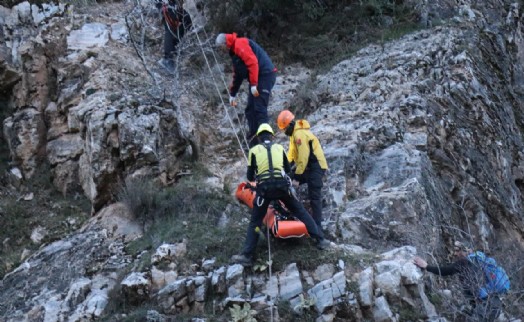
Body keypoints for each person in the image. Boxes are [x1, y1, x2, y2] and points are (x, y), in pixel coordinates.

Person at [231, 123, 330, 266]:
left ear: (259, 137)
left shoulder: (253, 151)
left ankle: (247, 255)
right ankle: (321, 240)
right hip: (283, 188)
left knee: (255, 221)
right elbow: (288, 170)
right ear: (271, 136)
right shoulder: (279, 148)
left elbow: (250, 177)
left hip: (264, 190)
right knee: (300, 211)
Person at [413, 241, 504, 321]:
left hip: (485, 306)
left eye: (458, 250)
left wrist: (426, 266)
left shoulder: (464, 262)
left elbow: (445, 271)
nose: (455, 254)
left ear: (466, 250)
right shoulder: (481, 261)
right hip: (495, 304)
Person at [215, 33, 277, 147]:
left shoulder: (240, 44)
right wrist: (232, 94)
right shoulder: (234, 52)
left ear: (224, 44)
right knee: (250, 110)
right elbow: (237, 75)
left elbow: (253, 62)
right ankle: (254, 140)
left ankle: (266, 140)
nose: (220, 51)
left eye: (220, 48)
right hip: (257, 78)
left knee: (259, 107)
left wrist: (254, 84)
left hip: (265, 75)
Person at [276, 110, 328, 229]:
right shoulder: (294, 135)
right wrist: (284, 168)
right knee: (288, 179)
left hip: (316, 166)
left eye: (284, 129)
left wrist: (298, 177)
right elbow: (292, 155)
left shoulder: (300, 135)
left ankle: (317, 228)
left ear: (289, 125)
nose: (284, 132)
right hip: (308, 167)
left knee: (315, 197)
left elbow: (303, 157)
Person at [156, 0, 193, 72]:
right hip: (166, 6)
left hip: (174, 4)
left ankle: (173, 49)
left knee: (187, 20)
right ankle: (168, 59)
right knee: (170, 29)